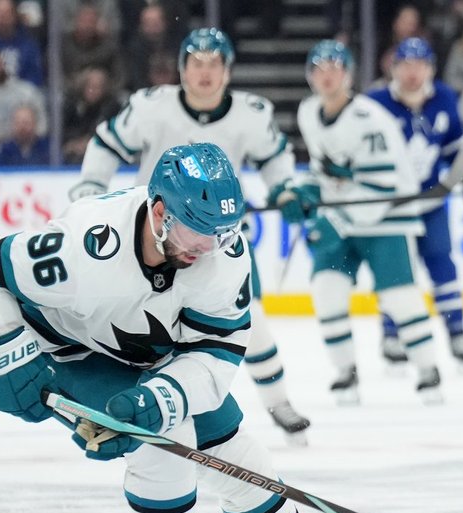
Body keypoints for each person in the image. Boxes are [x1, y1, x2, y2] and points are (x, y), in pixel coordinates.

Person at [0, 142, 374, 513]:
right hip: (68, 350)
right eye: (196, 229)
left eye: (221, 232)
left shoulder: (223, 256)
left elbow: (216, 354)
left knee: (239, 454)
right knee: (160, 444)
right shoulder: (85, 244)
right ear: (159, 213)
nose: (207, 247)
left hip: (152, 357)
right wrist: (4, 353)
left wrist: (160, 396)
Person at [70, 28, 312, 444]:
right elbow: (107, 142)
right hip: (152, 238)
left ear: (227, 70)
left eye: (214, 64)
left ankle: (278, 403)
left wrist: (285, 189)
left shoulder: (251, 114)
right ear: (181, 68)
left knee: (249, 322)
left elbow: (276, 160)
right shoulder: (151, 107)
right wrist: (91, 188)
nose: (205, 73)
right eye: (196, 63)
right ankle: (143, 400)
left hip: (220, 241)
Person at [295, 40, 442, 404]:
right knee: (327, 291)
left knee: (399, 298)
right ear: (311, 75)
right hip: (343, 217)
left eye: (335, 68)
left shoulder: (368, 119)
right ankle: (345, 372)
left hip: (387, 218)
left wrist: (334, 218)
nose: (328, 76)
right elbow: (324, 169)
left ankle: (428, 369)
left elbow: (380, 186)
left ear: (348, 74)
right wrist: (303, 193)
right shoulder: (308, 111)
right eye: (320, 69)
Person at [367, 37, 463, 365]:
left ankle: (457, 333)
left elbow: (454, 151)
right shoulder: (374, 103)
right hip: (392, 206)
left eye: (419, 66)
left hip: (432, 202)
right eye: (405, 65)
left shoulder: (445, 98)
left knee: (442, 265)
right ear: (393, 69)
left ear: (430, 69)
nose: (412, 73)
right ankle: (392, 336)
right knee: (395, 272)